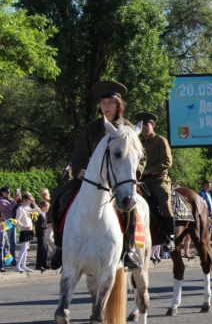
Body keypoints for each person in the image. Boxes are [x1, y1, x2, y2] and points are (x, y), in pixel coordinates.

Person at [49, 80, 145, 271]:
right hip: (89, 180)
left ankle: (128, 250)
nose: (106, 107)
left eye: (110, 103)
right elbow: (78, 155)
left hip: (116, 183)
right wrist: (81, 170)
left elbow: (141, 158)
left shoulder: (127, 128)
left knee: (130, 208)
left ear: (118, 105)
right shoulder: (91, 128)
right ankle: (60, 246)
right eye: (103, 103)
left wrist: (132, 172)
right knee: (59, 198)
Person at [134, 112, 176, 252]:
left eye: (146, 124)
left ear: (153, 125)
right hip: (140, 180)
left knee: (164, 202)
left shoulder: (160, 141)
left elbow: (167, 162)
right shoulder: (137, 143)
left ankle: (170, 237)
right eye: (141, 125)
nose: (144, 128)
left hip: (158, 180)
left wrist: (149, 170)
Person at [14, 193, 38, 273]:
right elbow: (17, 221)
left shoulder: (28, 207)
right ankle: (18, 265)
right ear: (24, 200)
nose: (30, 202)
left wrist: (34, 203)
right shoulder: (20, 208)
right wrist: (23, 226)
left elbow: (37, 210)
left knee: (26, 248)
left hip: (29, 230)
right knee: (23, 248)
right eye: (29, 200)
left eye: (30, 200)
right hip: (24, 230)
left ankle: (23, 265)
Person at [0, 187, 18, 265]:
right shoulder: (1, 201)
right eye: (7, 192)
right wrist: (15, 200)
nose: (9, 193)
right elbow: (7, 208)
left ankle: (12, 259)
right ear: (2, 192)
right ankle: (4, 260)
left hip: (12, 222)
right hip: (6, 222)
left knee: (13, 242)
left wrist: (18, 199)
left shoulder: (10, 200)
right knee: (5, 243)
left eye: (9, 192)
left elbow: (16, 206)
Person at [35, 200, 50, 271]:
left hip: (44, 233)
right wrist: (47, 226)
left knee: (45, 248)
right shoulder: (40, 215)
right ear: (42, 207)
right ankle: (39, 265)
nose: (47, 208)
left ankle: (45, 263)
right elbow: (39, 226)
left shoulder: (43, 214)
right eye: (46, 206)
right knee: (41, 249)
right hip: (41, 234)